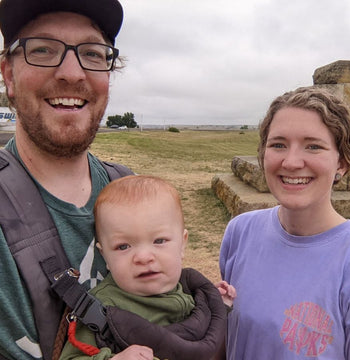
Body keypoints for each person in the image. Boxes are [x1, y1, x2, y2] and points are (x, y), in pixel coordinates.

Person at [219, 86, 350, 359]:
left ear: (342, 162)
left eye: (313, 146)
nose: (291, 162)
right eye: (278, 144)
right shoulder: (240, 233)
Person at [0, 1, 133, 359]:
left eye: (92, 53)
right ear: (8, 75)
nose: (72, 73)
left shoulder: (130, 190)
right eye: (43, 49)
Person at [59, 175, 235, 360]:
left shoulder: (189, 289)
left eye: (159, 241)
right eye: (123, 246)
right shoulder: (101, 308)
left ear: (182, 245)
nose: (143, 257)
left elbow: (205, 331)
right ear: (105, 257)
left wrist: (216, 303)